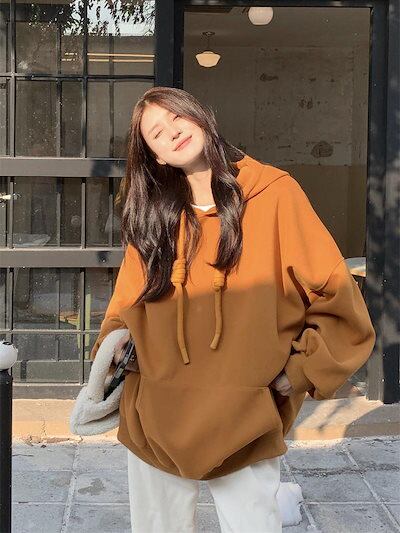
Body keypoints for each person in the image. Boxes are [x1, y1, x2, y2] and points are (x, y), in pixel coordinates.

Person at [90, 86, 376, 532]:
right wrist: (112, 349)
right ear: (156, 156)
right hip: (155, 413)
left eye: (177, 117)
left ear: (201, 116)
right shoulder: (152, 212)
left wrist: (299, 372)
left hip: (246, 417)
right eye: (156, 133)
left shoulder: (275, 193)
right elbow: (126, 302)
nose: (172, 132)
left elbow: (336, 295)